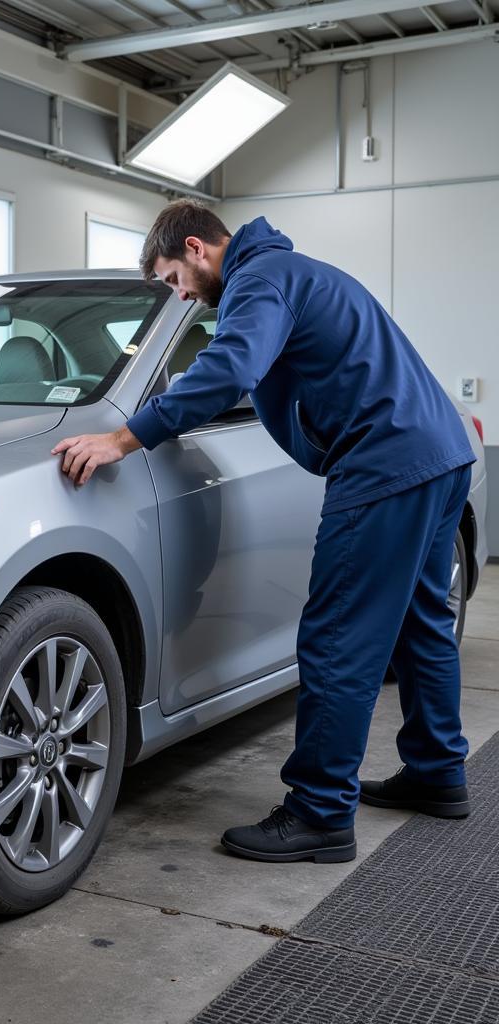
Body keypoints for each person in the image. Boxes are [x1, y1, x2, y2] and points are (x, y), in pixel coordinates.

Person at [52, 200, 476, 863]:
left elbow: (229, 369)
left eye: (172, 280)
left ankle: (319, 814)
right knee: (421, 623)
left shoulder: (260, 278)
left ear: (196, 248)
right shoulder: (291, 271)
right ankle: (437, 772)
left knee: (338, 638)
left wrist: (124, 437)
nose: (180, 296)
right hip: (438, 453)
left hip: (385, 463)